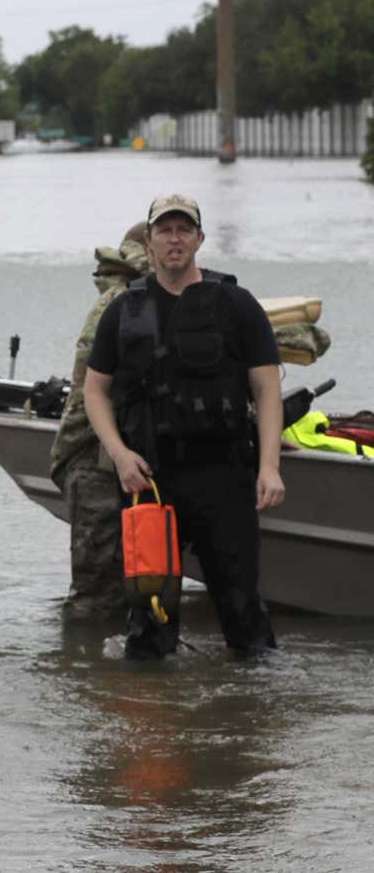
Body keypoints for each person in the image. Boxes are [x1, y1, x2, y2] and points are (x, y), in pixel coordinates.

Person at [82, 194, 284, 660]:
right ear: (149, 243)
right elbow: (95, 391)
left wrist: (269, 467)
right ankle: (153, 720)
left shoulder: (237, 305)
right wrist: (118, 454)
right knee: (150, 617)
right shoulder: (123, 310)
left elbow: (267, 390)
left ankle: (254, 717)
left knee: (244, 613)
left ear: (199, 239)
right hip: (150, 480)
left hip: (225, 476)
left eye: (184, 230)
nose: (175, 239)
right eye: (164, 231)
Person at [49, 222, 150, 621]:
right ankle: (85, 673)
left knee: (136, 585)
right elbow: (88, 392)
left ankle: (99, 675)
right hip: (97, 464)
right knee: (96, 596)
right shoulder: (119, 304)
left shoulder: (136, 300)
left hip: (120, 462)